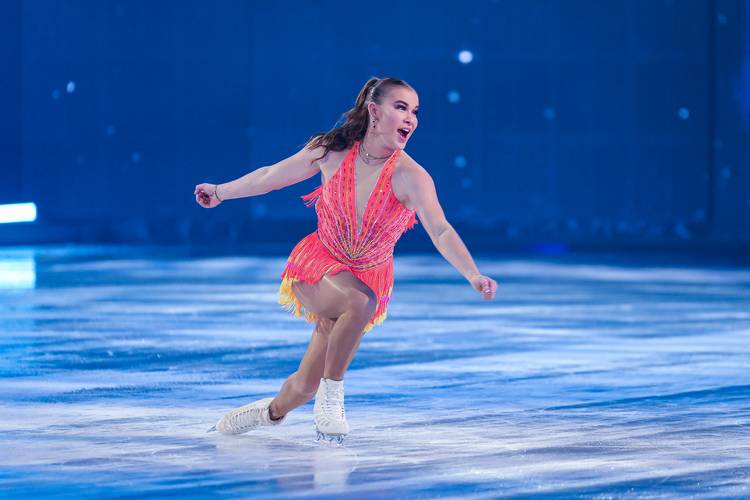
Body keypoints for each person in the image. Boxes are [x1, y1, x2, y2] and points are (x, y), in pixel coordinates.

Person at [194, 76, 498, 444]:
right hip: (318, 264)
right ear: (374, 110)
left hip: (367, 277)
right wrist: (219, 192)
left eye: (415, 111)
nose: (411, 119)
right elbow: (271, 177)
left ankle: (266, 412)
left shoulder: (412, 177)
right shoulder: (331, 151)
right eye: (401, 107)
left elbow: (441, 230)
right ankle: (333, 395)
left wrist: (472, 274)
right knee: (359, 301)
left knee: (303, 386)